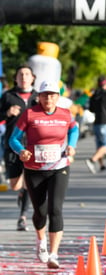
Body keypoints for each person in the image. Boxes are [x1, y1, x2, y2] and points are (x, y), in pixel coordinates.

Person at [9, 80, 79, 269]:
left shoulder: (65, 114)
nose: (48, 98)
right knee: (40, 212)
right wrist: (21, 151)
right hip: (34, 169)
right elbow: (13, 139)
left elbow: (74, 129)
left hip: (59, 167)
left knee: (55, 209)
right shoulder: (29, 114)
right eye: (45, 94)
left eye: (52, 94)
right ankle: (41, 242)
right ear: (38, 96)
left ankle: (54, 254)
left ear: (58, 96)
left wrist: (72, 145)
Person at [0, 65, 38, 231]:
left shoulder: (39, 97)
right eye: (20, 74)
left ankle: (23, 216)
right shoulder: (8, 96)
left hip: (33, 144)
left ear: (33, 78)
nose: (23, 77)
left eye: (27, 74)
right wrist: (7, 113)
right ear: (15, 78)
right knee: (15, 185)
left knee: (29, 181)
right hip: (12, 143)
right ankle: (21, 192)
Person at [85, 76, 106, 173]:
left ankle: (102, 165)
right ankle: (92, 160)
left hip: (96, 123)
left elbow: (91, 109)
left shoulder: (94, 94)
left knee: (99, 146)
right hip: (105, 122)